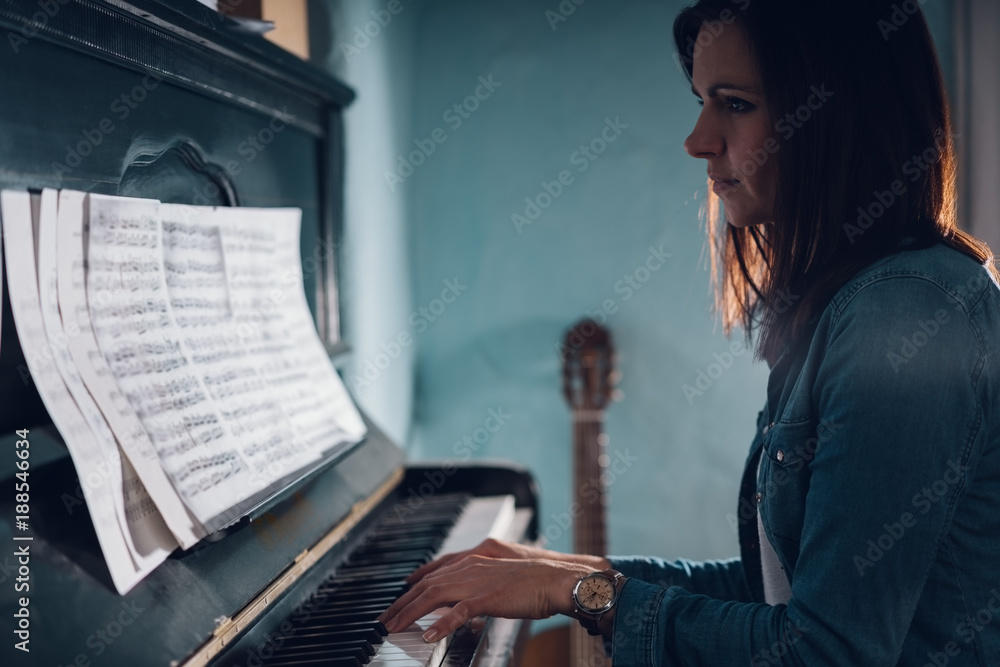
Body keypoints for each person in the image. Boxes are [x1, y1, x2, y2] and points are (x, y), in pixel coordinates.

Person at [380, 0, 1000, 664]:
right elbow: (776, 593)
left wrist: (583, 591)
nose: (697, 139)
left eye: (733, 103)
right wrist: (557, 569)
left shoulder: (906, 311)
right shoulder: (850, 305)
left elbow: (824, 649)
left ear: (835, 113)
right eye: (704, 100)